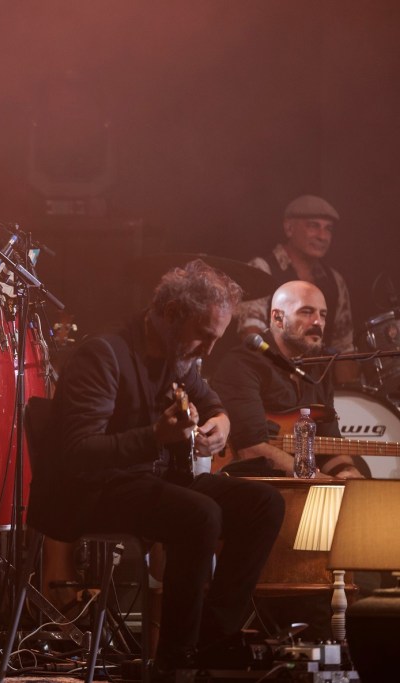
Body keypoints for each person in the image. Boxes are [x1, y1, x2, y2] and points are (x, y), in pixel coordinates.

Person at [26, 260, 285, 677]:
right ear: (170, 314)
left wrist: (221, 422)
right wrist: (154, 437)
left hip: (148, 482)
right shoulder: (103, 355)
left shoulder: (177, 357)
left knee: (264, 503)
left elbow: (211, 402)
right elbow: (78, 452)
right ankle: (175, 662)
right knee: (199, 514)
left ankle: (211, 640)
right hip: (91, 491)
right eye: (203, 336)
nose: (208, 350)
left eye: (216, 339)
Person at [212, 280, 365, 478]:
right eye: (307, 312)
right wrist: (320, 480)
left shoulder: (319, 368)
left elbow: (328, 442)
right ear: (278, 318)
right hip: (256, 483)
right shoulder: (242, 364)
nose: (318, 322)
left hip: (303, 481)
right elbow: (251, 448)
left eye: (323, 314)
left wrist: (346, 472)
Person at [236, 195, 357, 382]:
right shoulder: (262, 269)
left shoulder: (335, 281)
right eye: (313, 226)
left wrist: (350, 395)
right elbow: (251, 334)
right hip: (269, 384)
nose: (322, 236)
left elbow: (344, 348)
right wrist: (283, 380)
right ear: (289, 228)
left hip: (317, 387)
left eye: (328, 229)